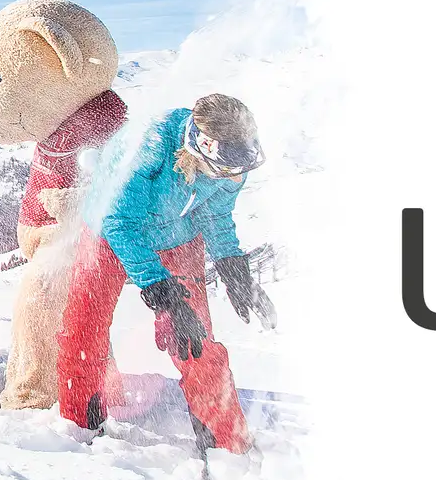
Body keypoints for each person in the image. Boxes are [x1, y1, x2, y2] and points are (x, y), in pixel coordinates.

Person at [55, 94, 277, 455]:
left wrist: (234, 268)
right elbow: (119, 222)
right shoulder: (150, 146)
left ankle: (226, 445)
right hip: (110, 233)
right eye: (225, 169)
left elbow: (217, 215)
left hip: (180, 237)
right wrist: (164, 294)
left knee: (196, 339)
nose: (234, 177)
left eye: (239, 168)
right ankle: (81, 424)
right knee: (85, 326)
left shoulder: (234, 160)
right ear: (200, 146)